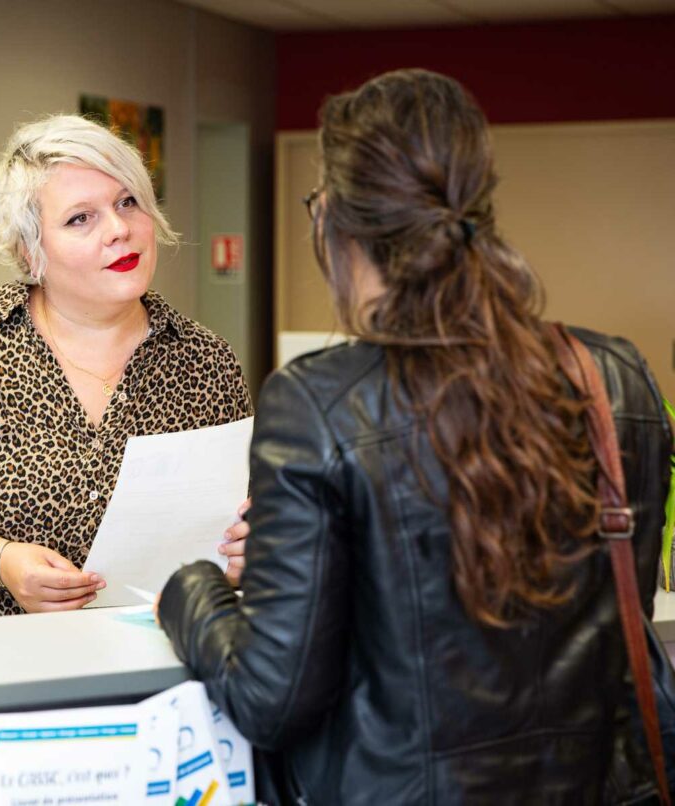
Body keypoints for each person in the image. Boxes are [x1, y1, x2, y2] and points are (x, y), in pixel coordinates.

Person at [156, 69, 673, 803]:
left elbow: (271, 698)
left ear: (334, 217)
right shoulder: (613, 376)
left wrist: (190, 591)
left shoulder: (316, 403)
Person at [0, 115, 253, 620]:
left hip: (158, 665)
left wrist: (243, 554)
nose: (119, 230)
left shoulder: (206, 363)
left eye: (128, 202)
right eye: (81, 218)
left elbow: (240, 519)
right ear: (31, 252)